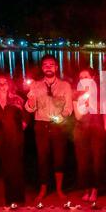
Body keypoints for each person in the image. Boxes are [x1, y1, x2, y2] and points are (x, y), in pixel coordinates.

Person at [25, 54, 73, 202]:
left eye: (51, 64)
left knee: (59, 157)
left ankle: (59, 189)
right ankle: (43, 188)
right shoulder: (35, 85)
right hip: (41, 125)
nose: (48, 67)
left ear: (56, 67)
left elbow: (69, 108)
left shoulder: (65, 86)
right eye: (45, 65)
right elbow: (29, 109)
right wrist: (31, 102)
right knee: (42, 158)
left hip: (58, 125)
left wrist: (62, 117)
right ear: (42, 67)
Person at [0, 74, 27, 205]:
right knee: (5, 167)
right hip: (0, 139)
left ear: (9, 85)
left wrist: (24, 119)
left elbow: (25, 118)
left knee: (17, 167)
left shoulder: (16, 100)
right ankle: (9, 198)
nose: (2, 86)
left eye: (5, 83)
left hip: (15, 137)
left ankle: (19, 197)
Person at [73, 68, 106, 202]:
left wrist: (105, 128)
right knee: (83, 162)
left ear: (92, 78)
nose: (83, 79)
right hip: (81, 130)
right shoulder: (76, 94)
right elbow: (78, 115)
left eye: (86, 76)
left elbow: (105, 112)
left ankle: (95, 189)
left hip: (97, 129)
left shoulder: (101, 94)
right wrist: (85, 104)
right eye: (81, 77)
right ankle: (86, 189)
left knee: (97, 161)